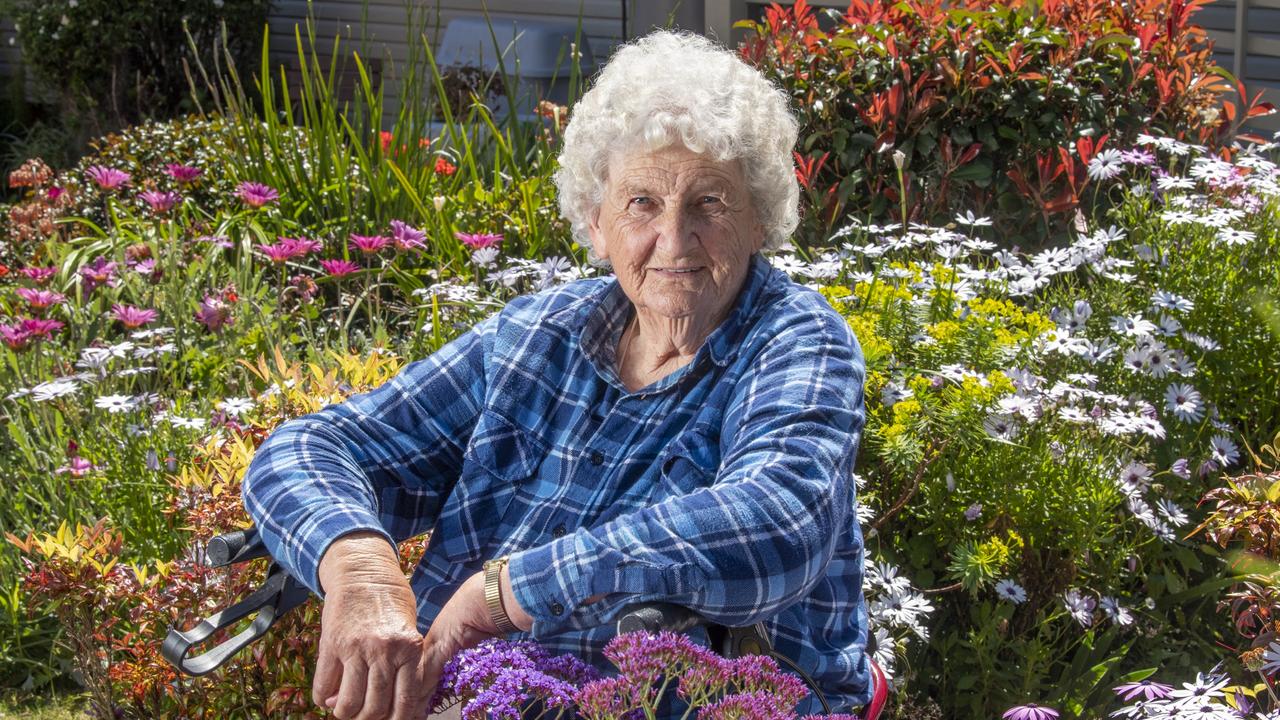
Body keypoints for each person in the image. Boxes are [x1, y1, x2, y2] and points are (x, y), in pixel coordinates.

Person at [242, 29, 871, 720]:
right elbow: (313, 448)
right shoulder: (539, 334)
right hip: (456, 698)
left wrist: (510, 591)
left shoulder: (797, 341)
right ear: (596, 223)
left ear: (761, 219)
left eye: (710, 203)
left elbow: (778, 521)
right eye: (641, 203)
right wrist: (358, 568)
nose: (674, 240)